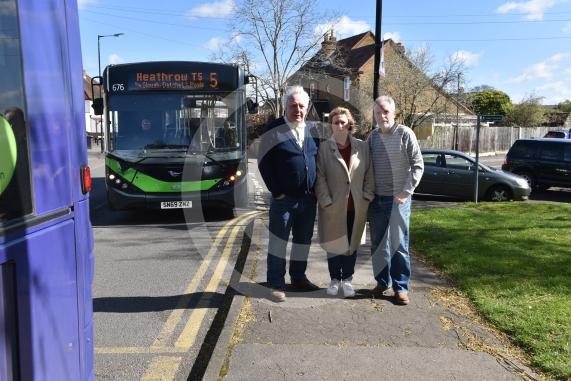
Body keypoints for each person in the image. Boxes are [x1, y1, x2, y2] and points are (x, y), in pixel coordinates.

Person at [258, 85, 320, 302]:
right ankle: (276, 283)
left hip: (308, 198)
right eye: (293, 106)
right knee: (278, 242)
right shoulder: (273, 129)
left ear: (307, 107)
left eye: (302, 106)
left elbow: (317, 160)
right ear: (285, 107)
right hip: (283, 200)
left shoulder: (312, 130)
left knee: (303, 240)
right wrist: (277, 191)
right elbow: (263, 163)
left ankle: (298, 277)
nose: (298, 110)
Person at [367, 95, 424, 305]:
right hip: (377, 200)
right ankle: (382, 282)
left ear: (394, 113)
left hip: (398, 200)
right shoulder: (372, 137)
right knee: (378, 245)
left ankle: (400, 287)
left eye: (385, 112)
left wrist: (405, 192)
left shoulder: (405, 134)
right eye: (378, 112)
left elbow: (418, 165)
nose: (382, 116)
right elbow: (366, 166)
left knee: (399, 245)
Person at [315, 107, 374, 298]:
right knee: (334, 245)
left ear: (349, 124)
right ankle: (334, 279)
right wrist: (325, 201)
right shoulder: (324, 148)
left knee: (351, 244)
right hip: (333, 206)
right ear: (331, 125)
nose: (340, 125)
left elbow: (369, 174)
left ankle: (347, 280)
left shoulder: (362, 146)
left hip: (356, 206)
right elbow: (320, 176)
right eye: (335, 122)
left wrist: (367, 196)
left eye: (343, 122)